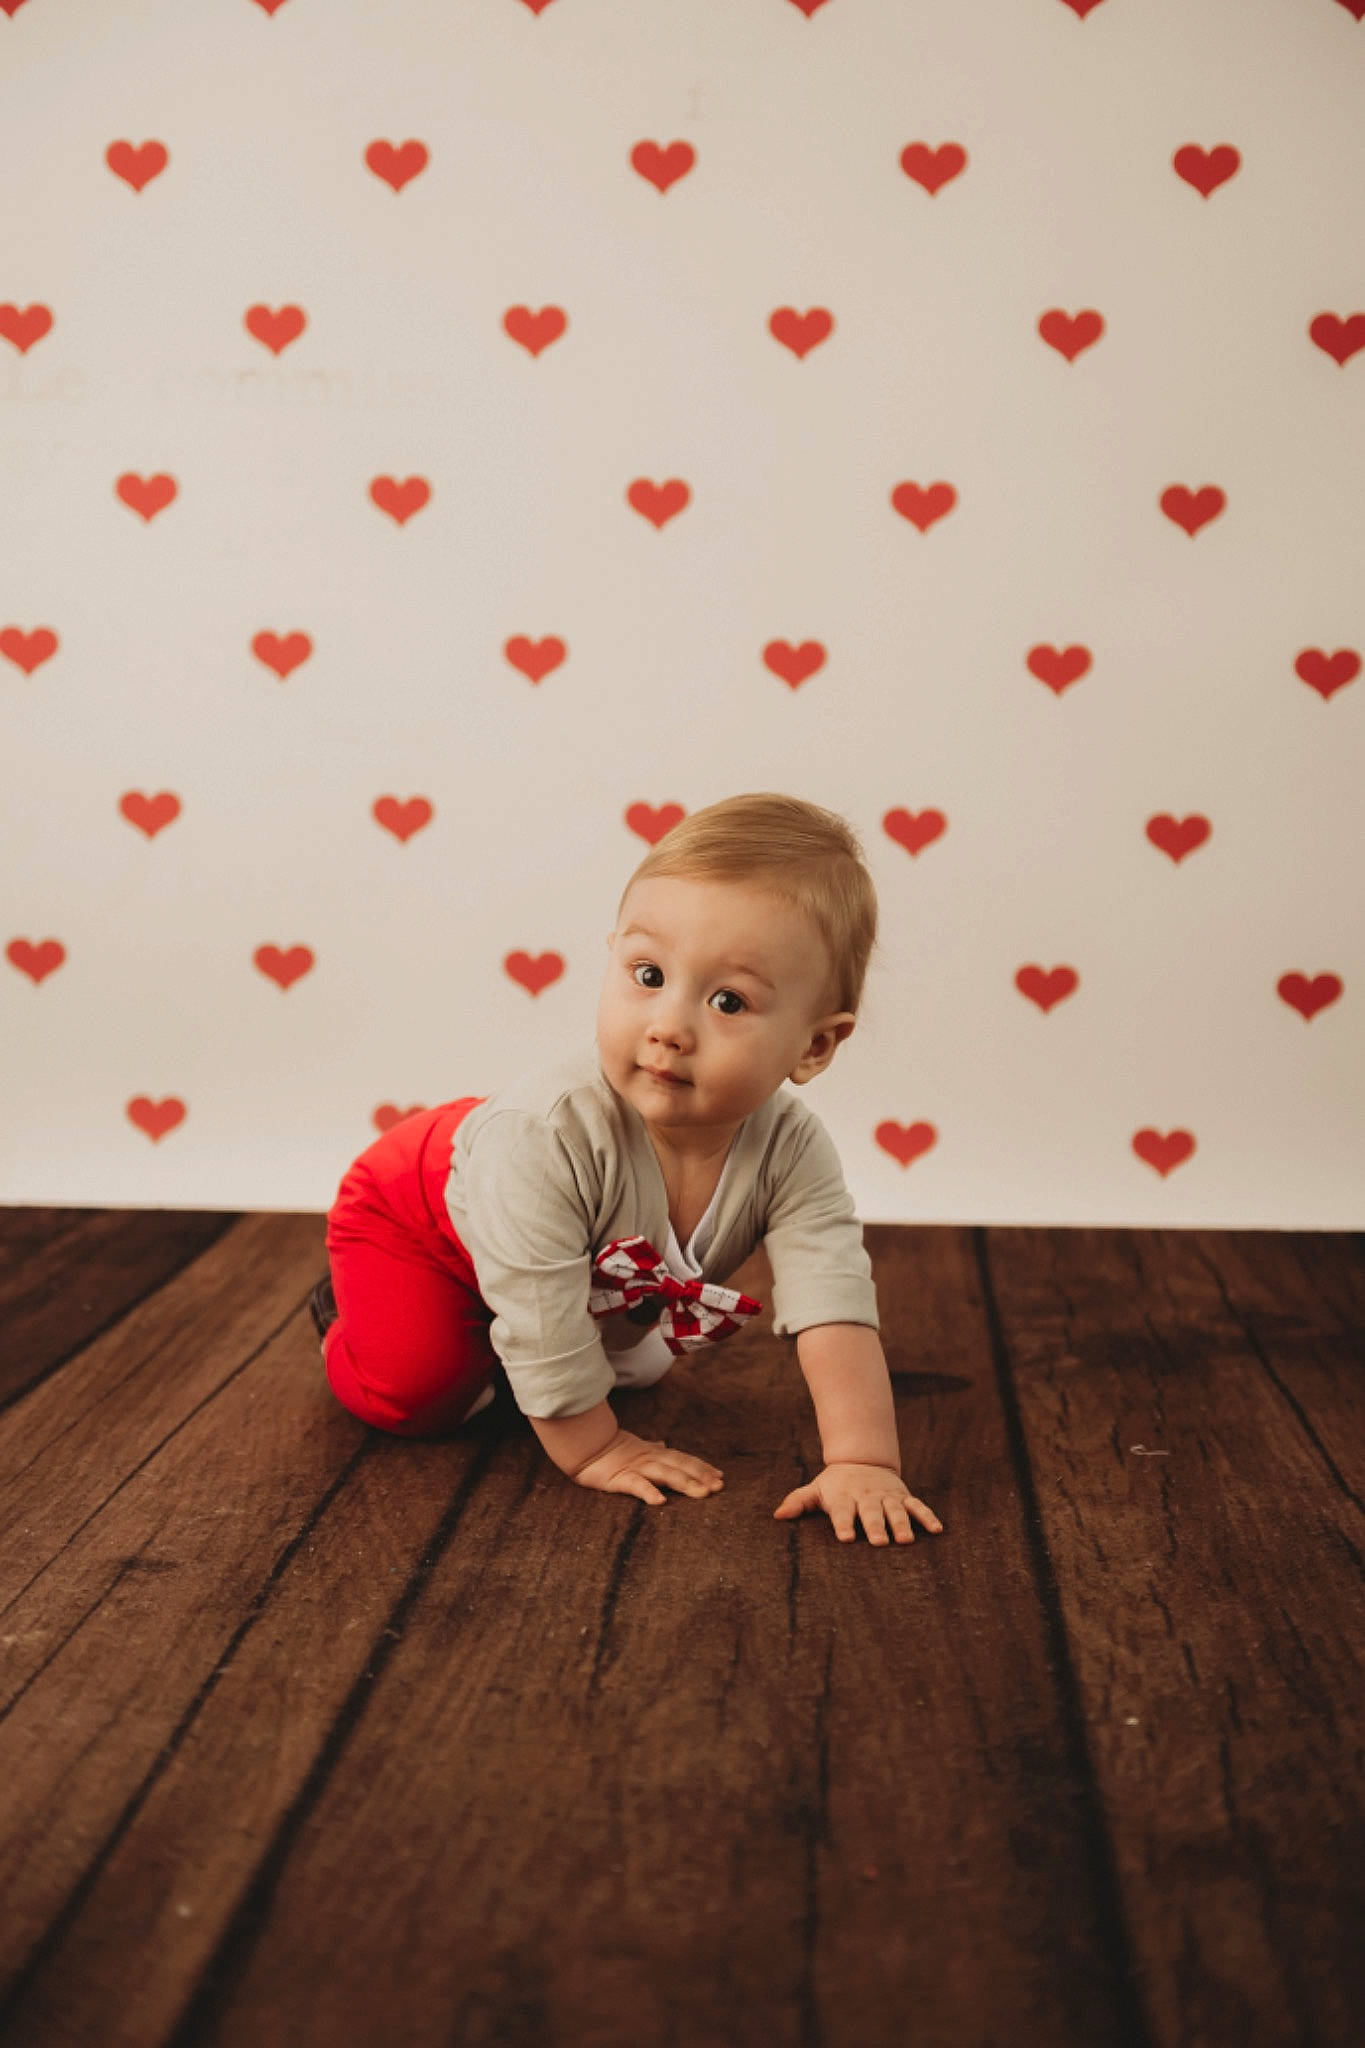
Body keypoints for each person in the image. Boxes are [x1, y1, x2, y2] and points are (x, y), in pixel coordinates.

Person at [316, 791, 944, 1550]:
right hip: (413, 1215)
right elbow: (547, 1324)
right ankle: (347, 1318)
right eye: (647, 975)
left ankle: (492, 1336)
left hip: (542, 1245)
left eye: (727, 1000)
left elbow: (832, 1305)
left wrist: (862, 1460)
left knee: (604, 1363)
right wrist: (598, 1448)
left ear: (813, 1046)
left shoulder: (791, 1151)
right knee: (419, 1394)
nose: (668, 1027)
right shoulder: (540, 1137)